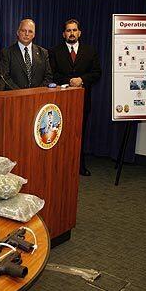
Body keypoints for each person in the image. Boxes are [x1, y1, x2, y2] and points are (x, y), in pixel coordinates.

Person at [49, 19, 101, 176]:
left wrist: (82, 80)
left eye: (74, 30)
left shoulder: (90, 51)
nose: (71, 33)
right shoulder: (54, 51)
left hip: (83, 101)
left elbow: (97, 73)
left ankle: (80, 165)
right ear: (64, 34)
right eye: (68, 30)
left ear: (79, 32)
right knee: (60, 135)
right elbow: (51, 74)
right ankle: (61, 167)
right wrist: (69, 81)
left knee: (79, 134)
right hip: (61, 103)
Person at [0, 19, 52, 89]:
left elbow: (48, 76)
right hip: (15, 96)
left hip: (38, 96)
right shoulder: (7, 52)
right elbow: (5, 77)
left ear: (34, 35)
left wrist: (36, 92)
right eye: (23, 30)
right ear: (18, 32)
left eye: (30, 31)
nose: (27, 34)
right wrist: (21, 93)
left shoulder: (43, 53)